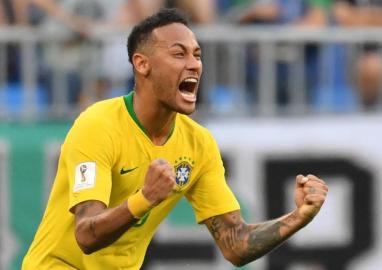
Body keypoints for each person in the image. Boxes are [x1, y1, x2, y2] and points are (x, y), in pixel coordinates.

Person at [22, 8, 329, 269]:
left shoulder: (198, 144)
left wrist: (298, 217)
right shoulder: (97, 125)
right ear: (142, 64)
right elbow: (86, 235)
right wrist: (145, 198)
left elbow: (235, 244)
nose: (194, 63)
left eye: (197, 55)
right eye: (178, 54)